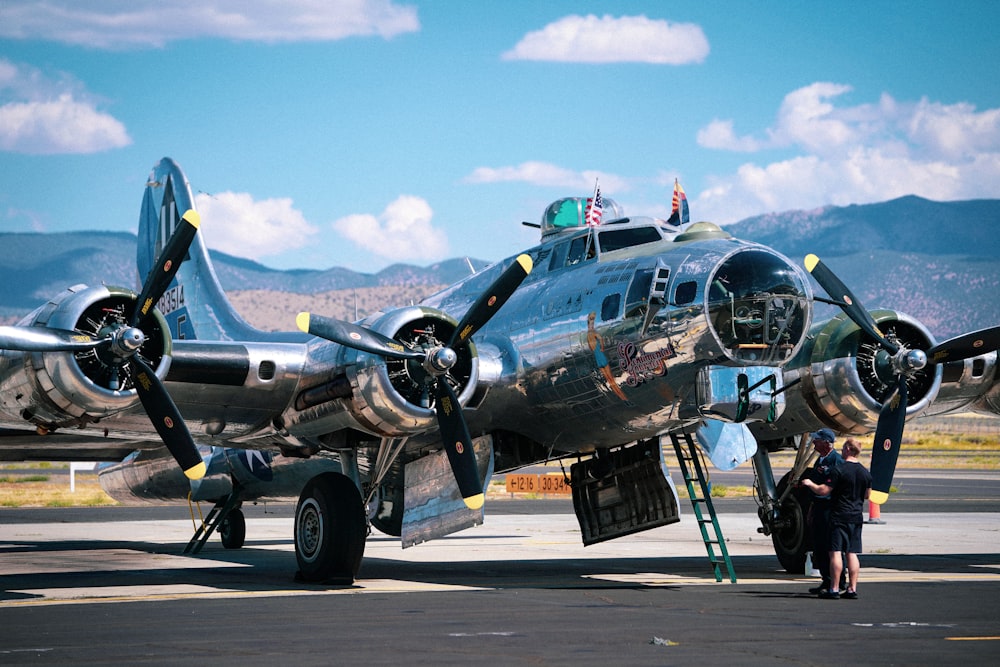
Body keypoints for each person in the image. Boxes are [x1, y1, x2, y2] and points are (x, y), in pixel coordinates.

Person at [803, 437, 872, 600]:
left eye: (843, 448)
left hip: (839, 515)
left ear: (848, 449)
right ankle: (852, 588)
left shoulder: (839, 470)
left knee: (835, 553)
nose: (841, 451)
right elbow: (867, 495)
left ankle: (834, 588)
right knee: (852, 553)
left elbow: (824, 490)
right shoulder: (865, 472)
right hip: (856, 516)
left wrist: (809, 484)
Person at [800, 428, 842, 595]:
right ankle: (826, 579)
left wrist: (810, 484)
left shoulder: (836, 461)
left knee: (831, 547)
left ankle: (838, 581)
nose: (814, 442)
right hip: (818, 507)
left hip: (829, 509)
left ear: (826, 442)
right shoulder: (821, 460)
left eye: (817, 440)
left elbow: (832, 488)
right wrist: (811, 509)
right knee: (819, 547)